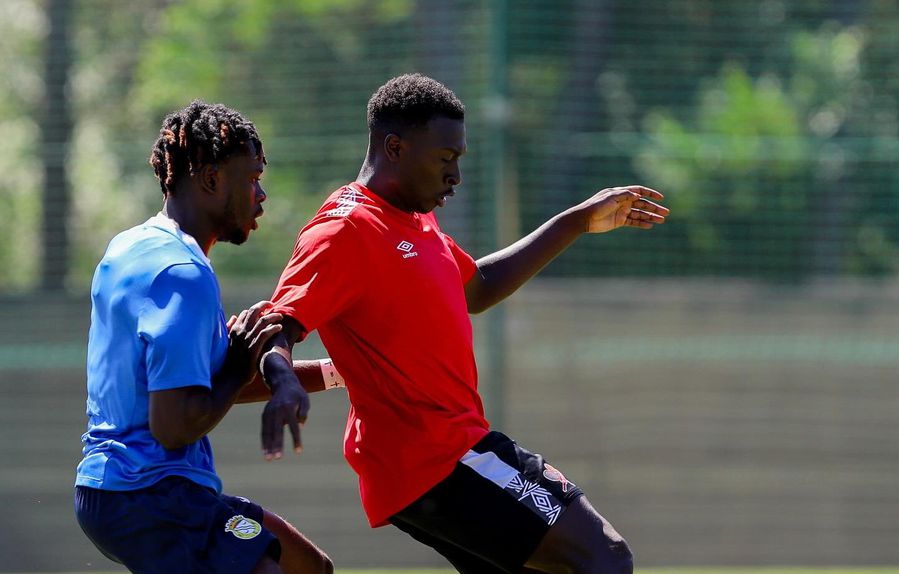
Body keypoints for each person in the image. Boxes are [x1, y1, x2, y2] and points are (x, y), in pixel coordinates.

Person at [258, 74, 669, 573]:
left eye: (459, 160)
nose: (455, 175)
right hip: (439, 457)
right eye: (445, 159)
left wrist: (576, 221)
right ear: (395, 147)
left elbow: (479, 286)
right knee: (603, 559)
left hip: (445, 456)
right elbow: (278, 324)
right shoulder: (344, 230)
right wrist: (282, 381)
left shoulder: (413, 217)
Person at [73, 100, 333, 574]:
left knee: (307, 566)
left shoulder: (130, 245)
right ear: (212, 179)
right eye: (252, 178)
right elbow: (174, 425)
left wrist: (341, 375)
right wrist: (235, 366)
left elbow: (195, 390)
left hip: (113, 491)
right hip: (150, 493)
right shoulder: (183, 274)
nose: (262, 194)